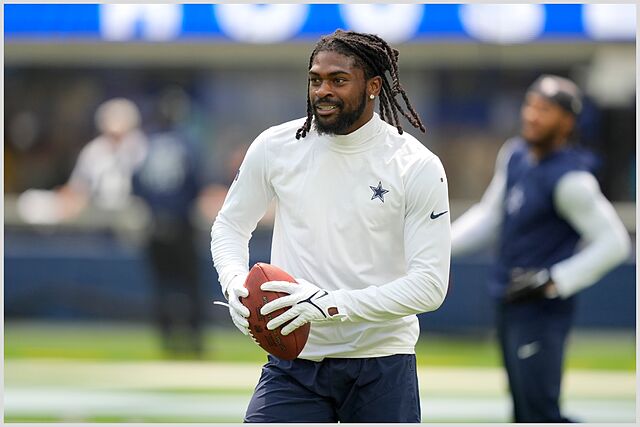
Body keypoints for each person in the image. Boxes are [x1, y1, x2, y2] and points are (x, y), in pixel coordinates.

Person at [210, 29, 450, 423]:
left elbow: (430, 287)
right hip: (294, 361)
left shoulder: (417, 165)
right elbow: (230, 225)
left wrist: (328, 305)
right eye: (315, 80)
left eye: (338, 80)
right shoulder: (275, 146)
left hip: (382, 362)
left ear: (373, 86)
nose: (323, 90)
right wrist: (234, 282)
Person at [450, 75, 631, 422]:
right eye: (530, 105)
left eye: (545, 109)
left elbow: (615, 243)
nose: (532, 115)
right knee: (523, 412)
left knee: (541, 413)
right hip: (509, 300)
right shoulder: (515, 154)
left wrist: (555, 279)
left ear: (567, 121)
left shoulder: (571, 179)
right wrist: (439, 247)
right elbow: (491, 216)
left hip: (542, 311)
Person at [131, 87, 212, 358]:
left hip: (155, 224)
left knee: (162, 284)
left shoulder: (146, 145)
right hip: (181, 223)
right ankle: (194, 338)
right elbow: (195, 182)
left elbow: (137, 184)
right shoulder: (186, 144)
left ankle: (166, 338)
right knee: (190, 284)